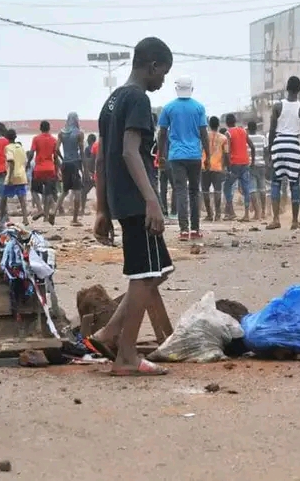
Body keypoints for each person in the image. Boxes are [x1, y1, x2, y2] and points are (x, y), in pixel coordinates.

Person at [86, 36, 174, 376]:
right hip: (137, 200)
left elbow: (101, 161)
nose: (162, 81)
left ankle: (108, 334)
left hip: (120, 200)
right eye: (163, 73)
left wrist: (102, 209)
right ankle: (126, 355)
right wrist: (152, 199)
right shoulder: (137, 99)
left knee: (159, 269)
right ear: (152, 66)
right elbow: (128, 151)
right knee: (145, 275)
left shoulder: (112, 101)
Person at [157, 74, 210, 240]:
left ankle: (183, 230)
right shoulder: (199, 108)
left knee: (180, 191)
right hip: (194, 155)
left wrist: (160, 155)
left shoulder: (168, 108)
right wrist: (207, 154)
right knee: (195, 191)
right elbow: (203, 133)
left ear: (176, 89)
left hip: (176, 156)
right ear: (191, 89)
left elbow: (162, 134)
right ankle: (195, 230)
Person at [268, 75, 300, 230]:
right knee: (294, 184)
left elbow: (272, 129)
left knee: (276, 182)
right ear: (299, 90)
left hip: (278, 144)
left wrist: (270, 151)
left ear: (286, 88)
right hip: (293, 144)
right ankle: (294, 221)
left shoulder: (278, 106)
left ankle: (276, 219)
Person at [223, 113, 255, 222]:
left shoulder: (228, 133)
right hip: (245, 163)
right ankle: (246, 215)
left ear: (227, 123)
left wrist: (228, 167)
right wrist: (253, 161)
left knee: (227, 186)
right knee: (246, 189)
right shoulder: (243, 131)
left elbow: (227, 151)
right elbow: (252, 146)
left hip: (234, 164)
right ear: (235, 121)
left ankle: (231, 212)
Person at [28, 121, 61, 224]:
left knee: (33, 190)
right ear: (49, 128)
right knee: (48, 193)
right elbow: (55, 157)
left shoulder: (36, 139)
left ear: (40, 128)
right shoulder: (54, 140)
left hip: (39, 169)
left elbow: (31, 153)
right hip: (50, 169)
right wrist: (57, 170)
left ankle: (40, 209)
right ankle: (46, 217)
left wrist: (28, 162)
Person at [57, 113, 85, 225]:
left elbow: (56, 149)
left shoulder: (62, 133)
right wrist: (85, 169)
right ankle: (74, 219)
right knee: (77, 191)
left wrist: (62, 158)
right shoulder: (79, 133)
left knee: (64, 190)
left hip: (65, 163)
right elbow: (82, 152)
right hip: (75, 163)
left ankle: (53, 212)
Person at [202, 116, 229, 222]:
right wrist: (225, 167)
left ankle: (209, 214)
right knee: (217, 191)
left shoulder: (204, 136)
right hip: (217, 167)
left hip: (205, 165)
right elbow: (226, 154)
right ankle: (217, 215)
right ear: (218, 125)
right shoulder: (223, 138)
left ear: (209, 124)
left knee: (205, 191)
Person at [3, 129, 31, 225]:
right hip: (21, 176)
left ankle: (3, 218)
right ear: (15, 137)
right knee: (22, 199)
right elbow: (25, 161)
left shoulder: (7, 148)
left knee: (4, 197)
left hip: (12, 175)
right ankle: (25, 219)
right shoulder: (21, 147)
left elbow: (11, 162)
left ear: (6, 138)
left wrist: (10, 177)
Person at [247, 121, 268, 220]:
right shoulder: (262, 138)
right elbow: (266, 151)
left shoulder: (246, 139)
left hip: (251, 165)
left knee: (253, 190)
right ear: (256, 128)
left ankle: (257, 213)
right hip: (262, 165)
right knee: (262, 189)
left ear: (248, 128)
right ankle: (263, 211)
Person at [82, 133, 98, 210]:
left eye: (88, 139)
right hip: (98, 173)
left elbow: (87, 161)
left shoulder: (88, 148)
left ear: (90, 140)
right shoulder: (98, 147)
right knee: (100, 192)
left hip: (90, 173)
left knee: (83, 192)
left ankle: (82, 209)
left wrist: (87, 172)